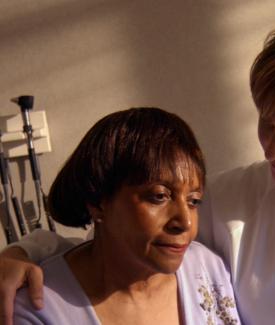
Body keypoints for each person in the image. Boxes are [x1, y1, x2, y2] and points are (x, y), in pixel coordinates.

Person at [1, 8, 275, 325]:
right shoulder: (227, 199)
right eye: (266, 122)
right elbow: (113, 241)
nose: (272, 147)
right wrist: (20, 253)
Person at [9, 107, 241, 324]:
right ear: (98, 202)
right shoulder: (38, 308)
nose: (185, 222)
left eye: (193, 201)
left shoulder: (207, 270)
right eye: (159, 196)